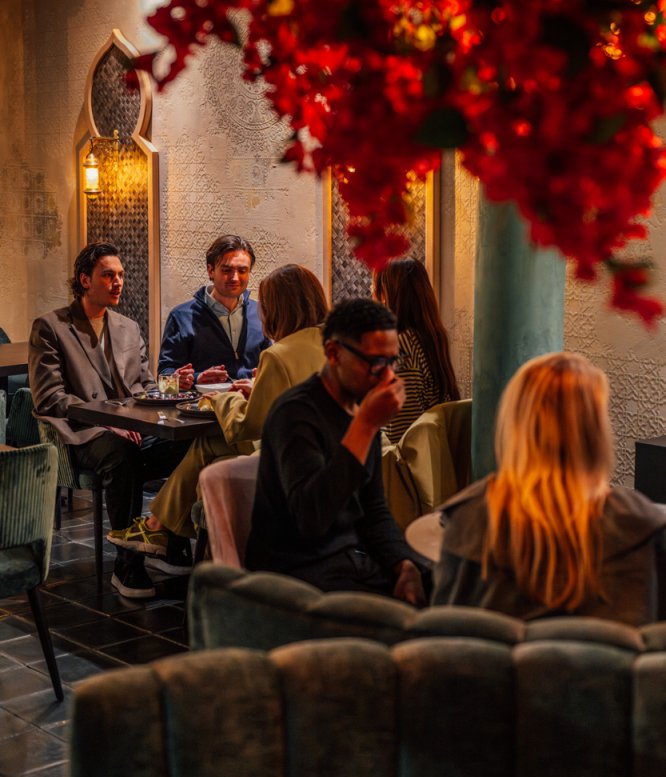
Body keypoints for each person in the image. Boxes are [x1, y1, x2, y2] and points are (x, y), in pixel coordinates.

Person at [428, 351, 666, 626]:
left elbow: (443, 637)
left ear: (513, 424)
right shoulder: (644, 528)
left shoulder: (467, 519)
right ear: (596, 431)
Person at [108, 264, 329, 553]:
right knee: (209, 447)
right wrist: (256, 389)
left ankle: (160, 529)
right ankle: (160, 529)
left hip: (286, 456)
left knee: (209, 443)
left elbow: (246, 427)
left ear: (280, 308)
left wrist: (222, 399)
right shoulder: (334, 344)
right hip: (323, 451)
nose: (260, 312)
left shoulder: (278, 355)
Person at [28, 241, 190, 600]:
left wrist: (173, 392)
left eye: (120, 275)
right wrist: (108, 421)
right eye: (108, 275)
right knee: (121, 454)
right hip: (81, 433)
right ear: (85, 280)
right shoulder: (51, 327)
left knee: (188, 444)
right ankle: (127, 565)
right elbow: (50, 398)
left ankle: (168, 541)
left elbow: (146, 386)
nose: (118, 282)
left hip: (131, 429)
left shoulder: (128, 327)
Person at [245, 298, 428, 604]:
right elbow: (312, 519)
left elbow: (374, 509)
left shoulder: (360, 406)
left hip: (350, 560)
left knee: (450, 583)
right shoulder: (295, 414)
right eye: (375, 363)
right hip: (295, 571)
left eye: (392, 362)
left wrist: (403, 564)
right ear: (333, 353)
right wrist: (365, 426)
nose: (387, 377)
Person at [158, 234, 270, 389]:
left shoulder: (260, 312)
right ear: (210, 270)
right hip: (202, 403)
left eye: (242, 270)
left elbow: (269, 367)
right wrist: (195, 379)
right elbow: (163, 381)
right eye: (227, 270)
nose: (235, 278)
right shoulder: (181, 316)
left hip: (249, 403)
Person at [373, 256, 459, 444]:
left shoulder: (401, 347)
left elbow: (398, 435)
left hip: (411, 457)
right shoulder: (431, 338)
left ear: (387, 295)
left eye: (377, 291)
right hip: (434, 451)